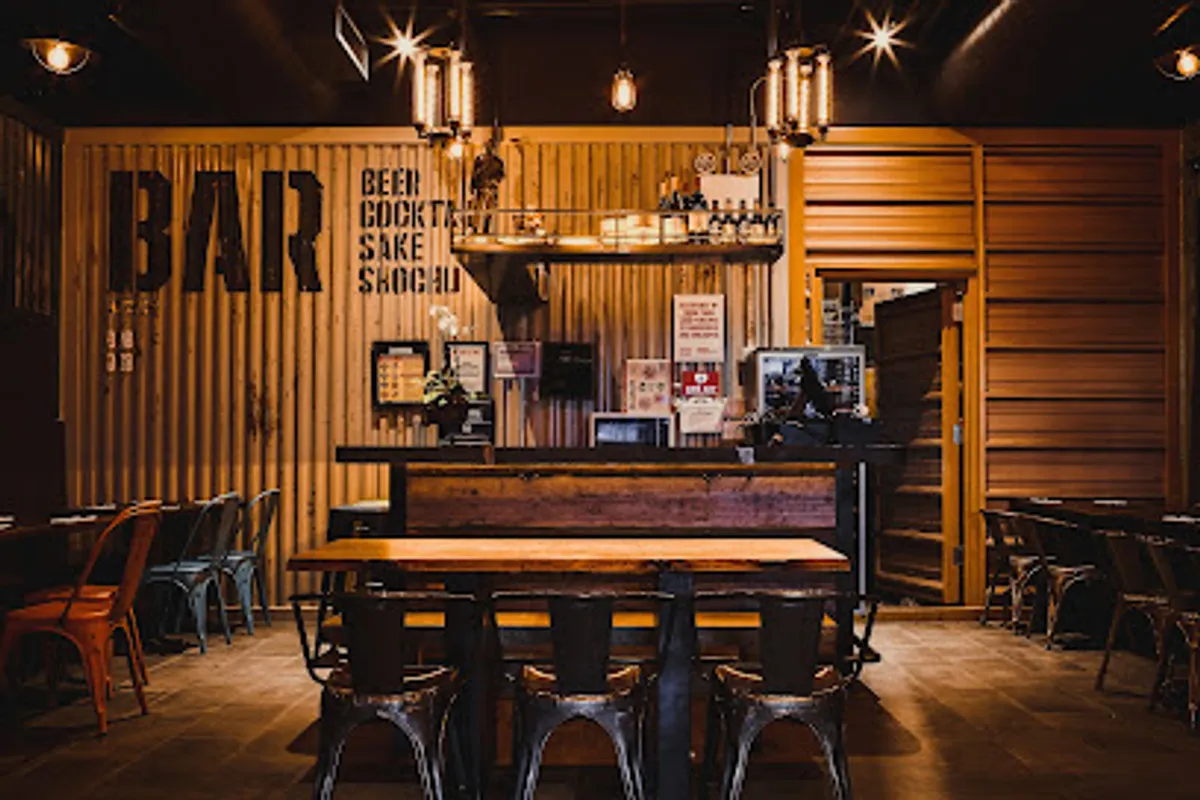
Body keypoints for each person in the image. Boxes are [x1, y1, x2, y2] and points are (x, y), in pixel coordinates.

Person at [470, 123, 505, 234]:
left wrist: (494, 182)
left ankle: (486, 229)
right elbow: (474, 174)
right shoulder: (480, 160)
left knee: (489, 211)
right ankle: (475, 228)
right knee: (478, 209)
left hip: (491, 188)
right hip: (480, 189)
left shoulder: (497, 162)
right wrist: (472, 186)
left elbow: (501, 175)